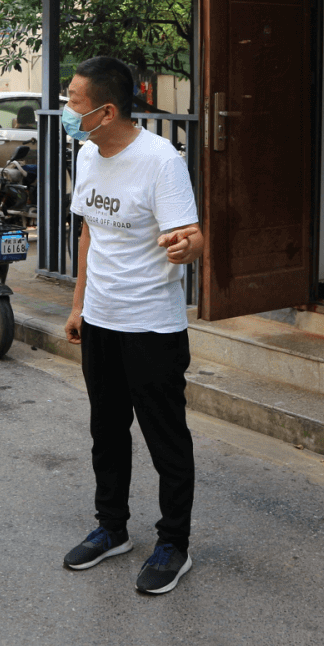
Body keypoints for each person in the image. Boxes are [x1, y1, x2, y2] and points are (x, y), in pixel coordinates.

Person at [60, 56, 204, 595]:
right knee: (106, 431)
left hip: (151, 326)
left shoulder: (160, 160)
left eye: (74, 102)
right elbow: (89, 235)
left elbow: (192, 235)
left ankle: (174, 543)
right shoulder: (87, 153)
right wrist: (78, 306)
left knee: (166, 438)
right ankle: (112, 528)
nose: (66, 109)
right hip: (101, 320)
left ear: (106, 111)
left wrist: (187, 247)